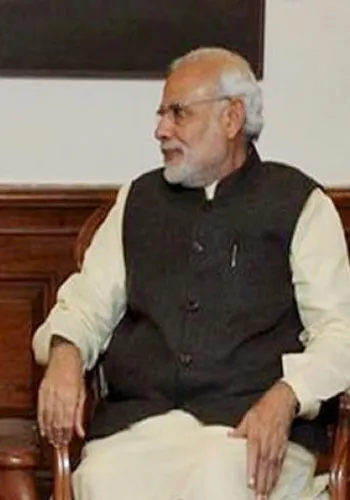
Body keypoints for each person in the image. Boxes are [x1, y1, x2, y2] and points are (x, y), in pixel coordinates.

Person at [33, 47, 350, 500]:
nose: (160, 130)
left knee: (220, 479)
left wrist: (287, 396)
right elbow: (87, 303)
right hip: (140, 430)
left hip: (249, 432)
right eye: (162, 114)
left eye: (178, 113)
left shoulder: (299, 204)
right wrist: (65, 354)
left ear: (232, 117)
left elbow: (341, 332)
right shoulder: (138, 201)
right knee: (103, 481)